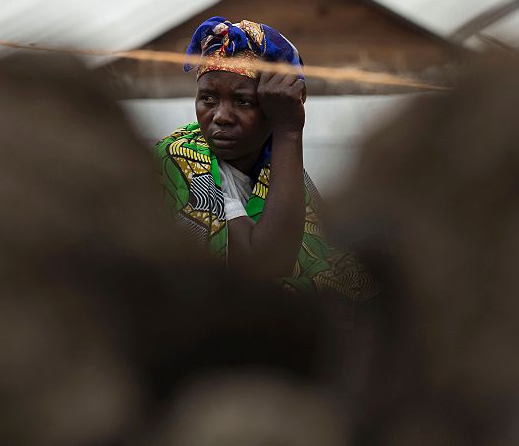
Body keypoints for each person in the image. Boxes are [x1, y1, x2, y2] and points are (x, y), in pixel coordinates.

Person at [156, 17, 377, 301]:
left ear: (276, 109)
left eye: (243, 102)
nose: (221, 116)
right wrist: (288, 132)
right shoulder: (180, 157)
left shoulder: (276, 170)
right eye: (208, 98)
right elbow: (265, 265)